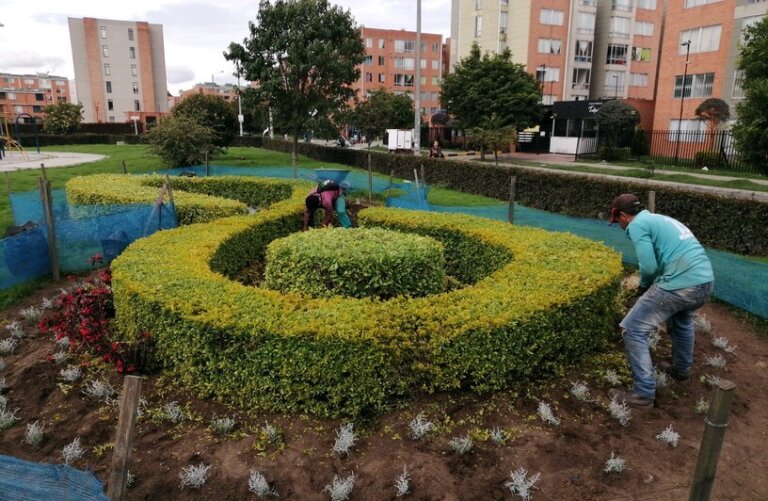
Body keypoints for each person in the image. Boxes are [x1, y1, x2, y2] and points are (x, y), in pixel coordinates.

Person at [608, 194, 714, 407]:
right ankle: (681, 370)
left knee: (633, 329)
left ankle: (643, 394)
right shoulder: (660, 219)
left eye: (617, 220)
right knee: (681, 321)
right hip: (704, 282)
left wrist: (643, 286)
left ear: (623, 216)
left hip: (680, 284)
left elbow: (648, 266)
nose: (619, 225)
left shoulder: (637, 225)